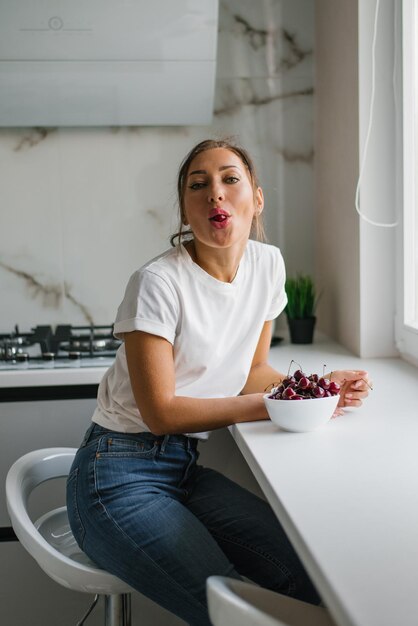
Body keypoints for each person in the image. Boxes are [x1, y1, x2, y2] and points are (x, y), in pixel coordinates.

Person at [66, 138, 371, 626]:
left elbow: (252, 374)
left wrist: (318, 390)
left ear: (257, 196)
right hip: (116, 475)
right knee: (230, 611)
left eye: (231, 179)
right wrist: (278, 406)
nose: (216, 195)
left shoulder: (268, 265)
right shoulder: (158, 283)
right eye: (198, 186)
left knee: (309, 577)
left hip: (182, 469)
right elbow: (161, 412)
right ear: (185, 211)